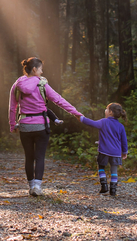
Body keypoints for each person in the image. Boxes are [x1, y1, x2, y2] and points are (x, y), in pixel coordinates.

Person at [9, 57, 83, 196]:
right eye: (41, 69)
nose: (42, 72)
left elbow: (12, 108)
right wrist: (76, 113)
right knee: (40, 157)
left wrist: (13, 125)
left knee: (29, 157)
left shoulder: (17, 85)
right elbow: (59, 100)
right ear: (35, 69)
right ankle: (37, 186)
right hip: (41, 126)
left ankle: (31, 186)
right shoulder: (42, 84)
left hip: (25, 126)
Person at [78, 103, 128, 196]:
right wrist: (124, 152)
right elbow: (124, 141)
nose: (105, 110)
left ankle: (104, 185)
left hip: (104, 151)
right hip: (116, 153)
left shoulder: (103, 122)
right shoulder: (121, 126)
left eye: (106, 109)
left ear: (110, 112)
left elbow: (91, 123)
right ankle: (113, 190)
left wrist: (81, 118)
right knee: (114, 170)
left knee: (101, 167)